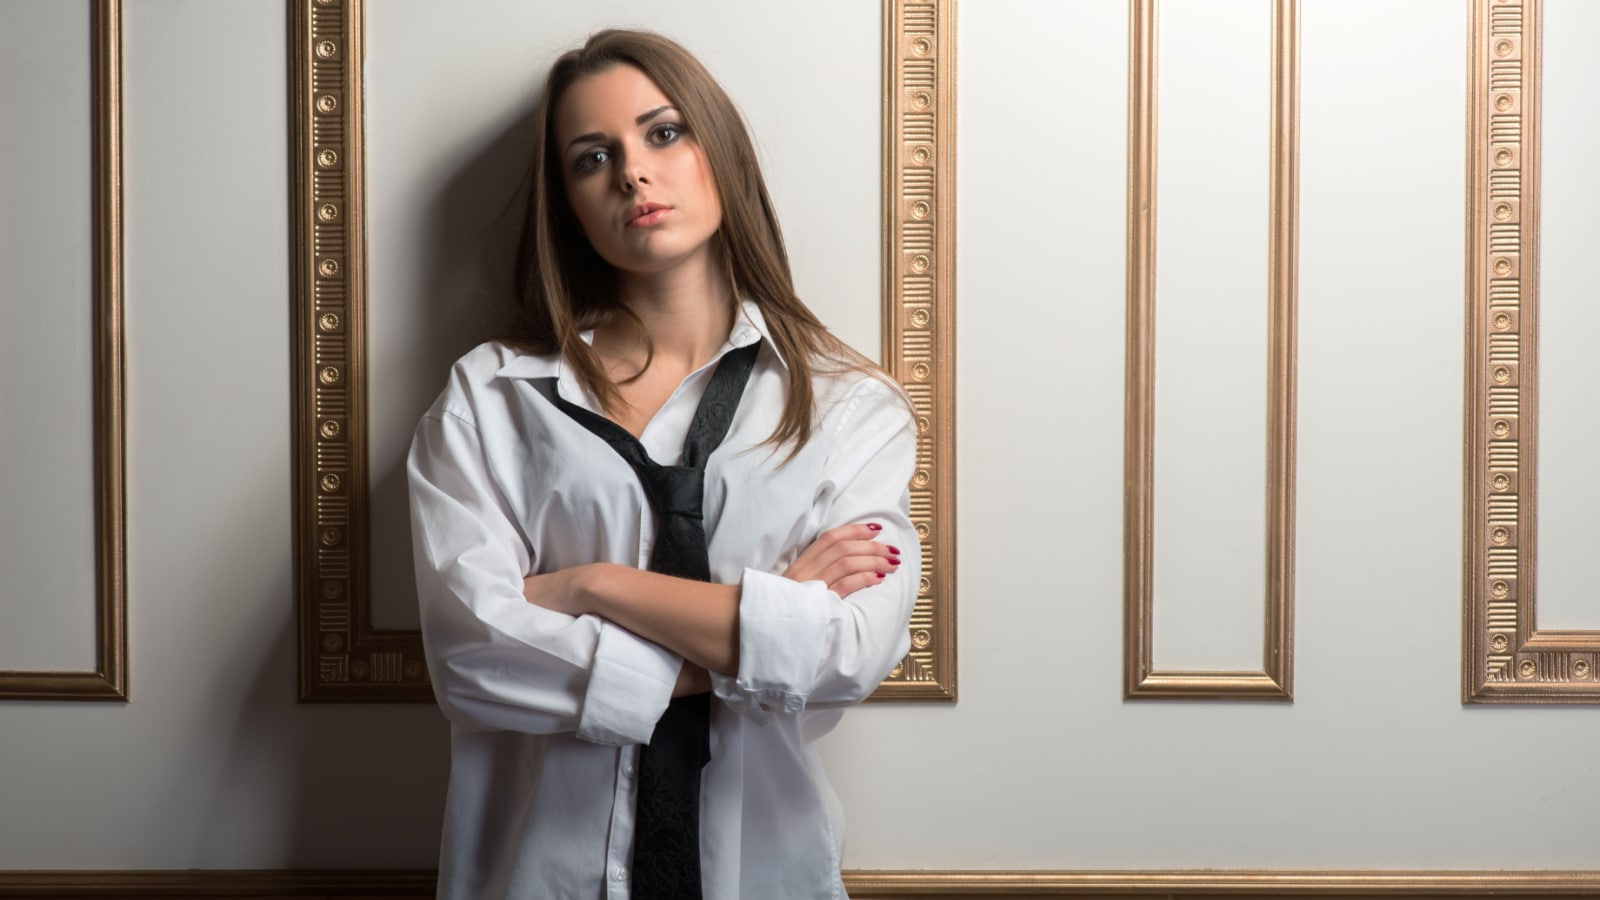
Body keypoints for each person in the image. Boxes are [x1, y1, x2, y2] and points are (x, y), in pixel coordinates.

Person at [408, 28, 919, 900]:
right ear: (566, 200)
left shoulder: (848, 408)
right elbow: (474, 656)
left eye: (663, 133)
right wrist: (758, 636)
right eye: (591, 157)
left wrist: (593, 586)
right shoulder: (491, 399)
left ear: (717, 148)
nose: (632, 173)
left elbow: (849, 652)